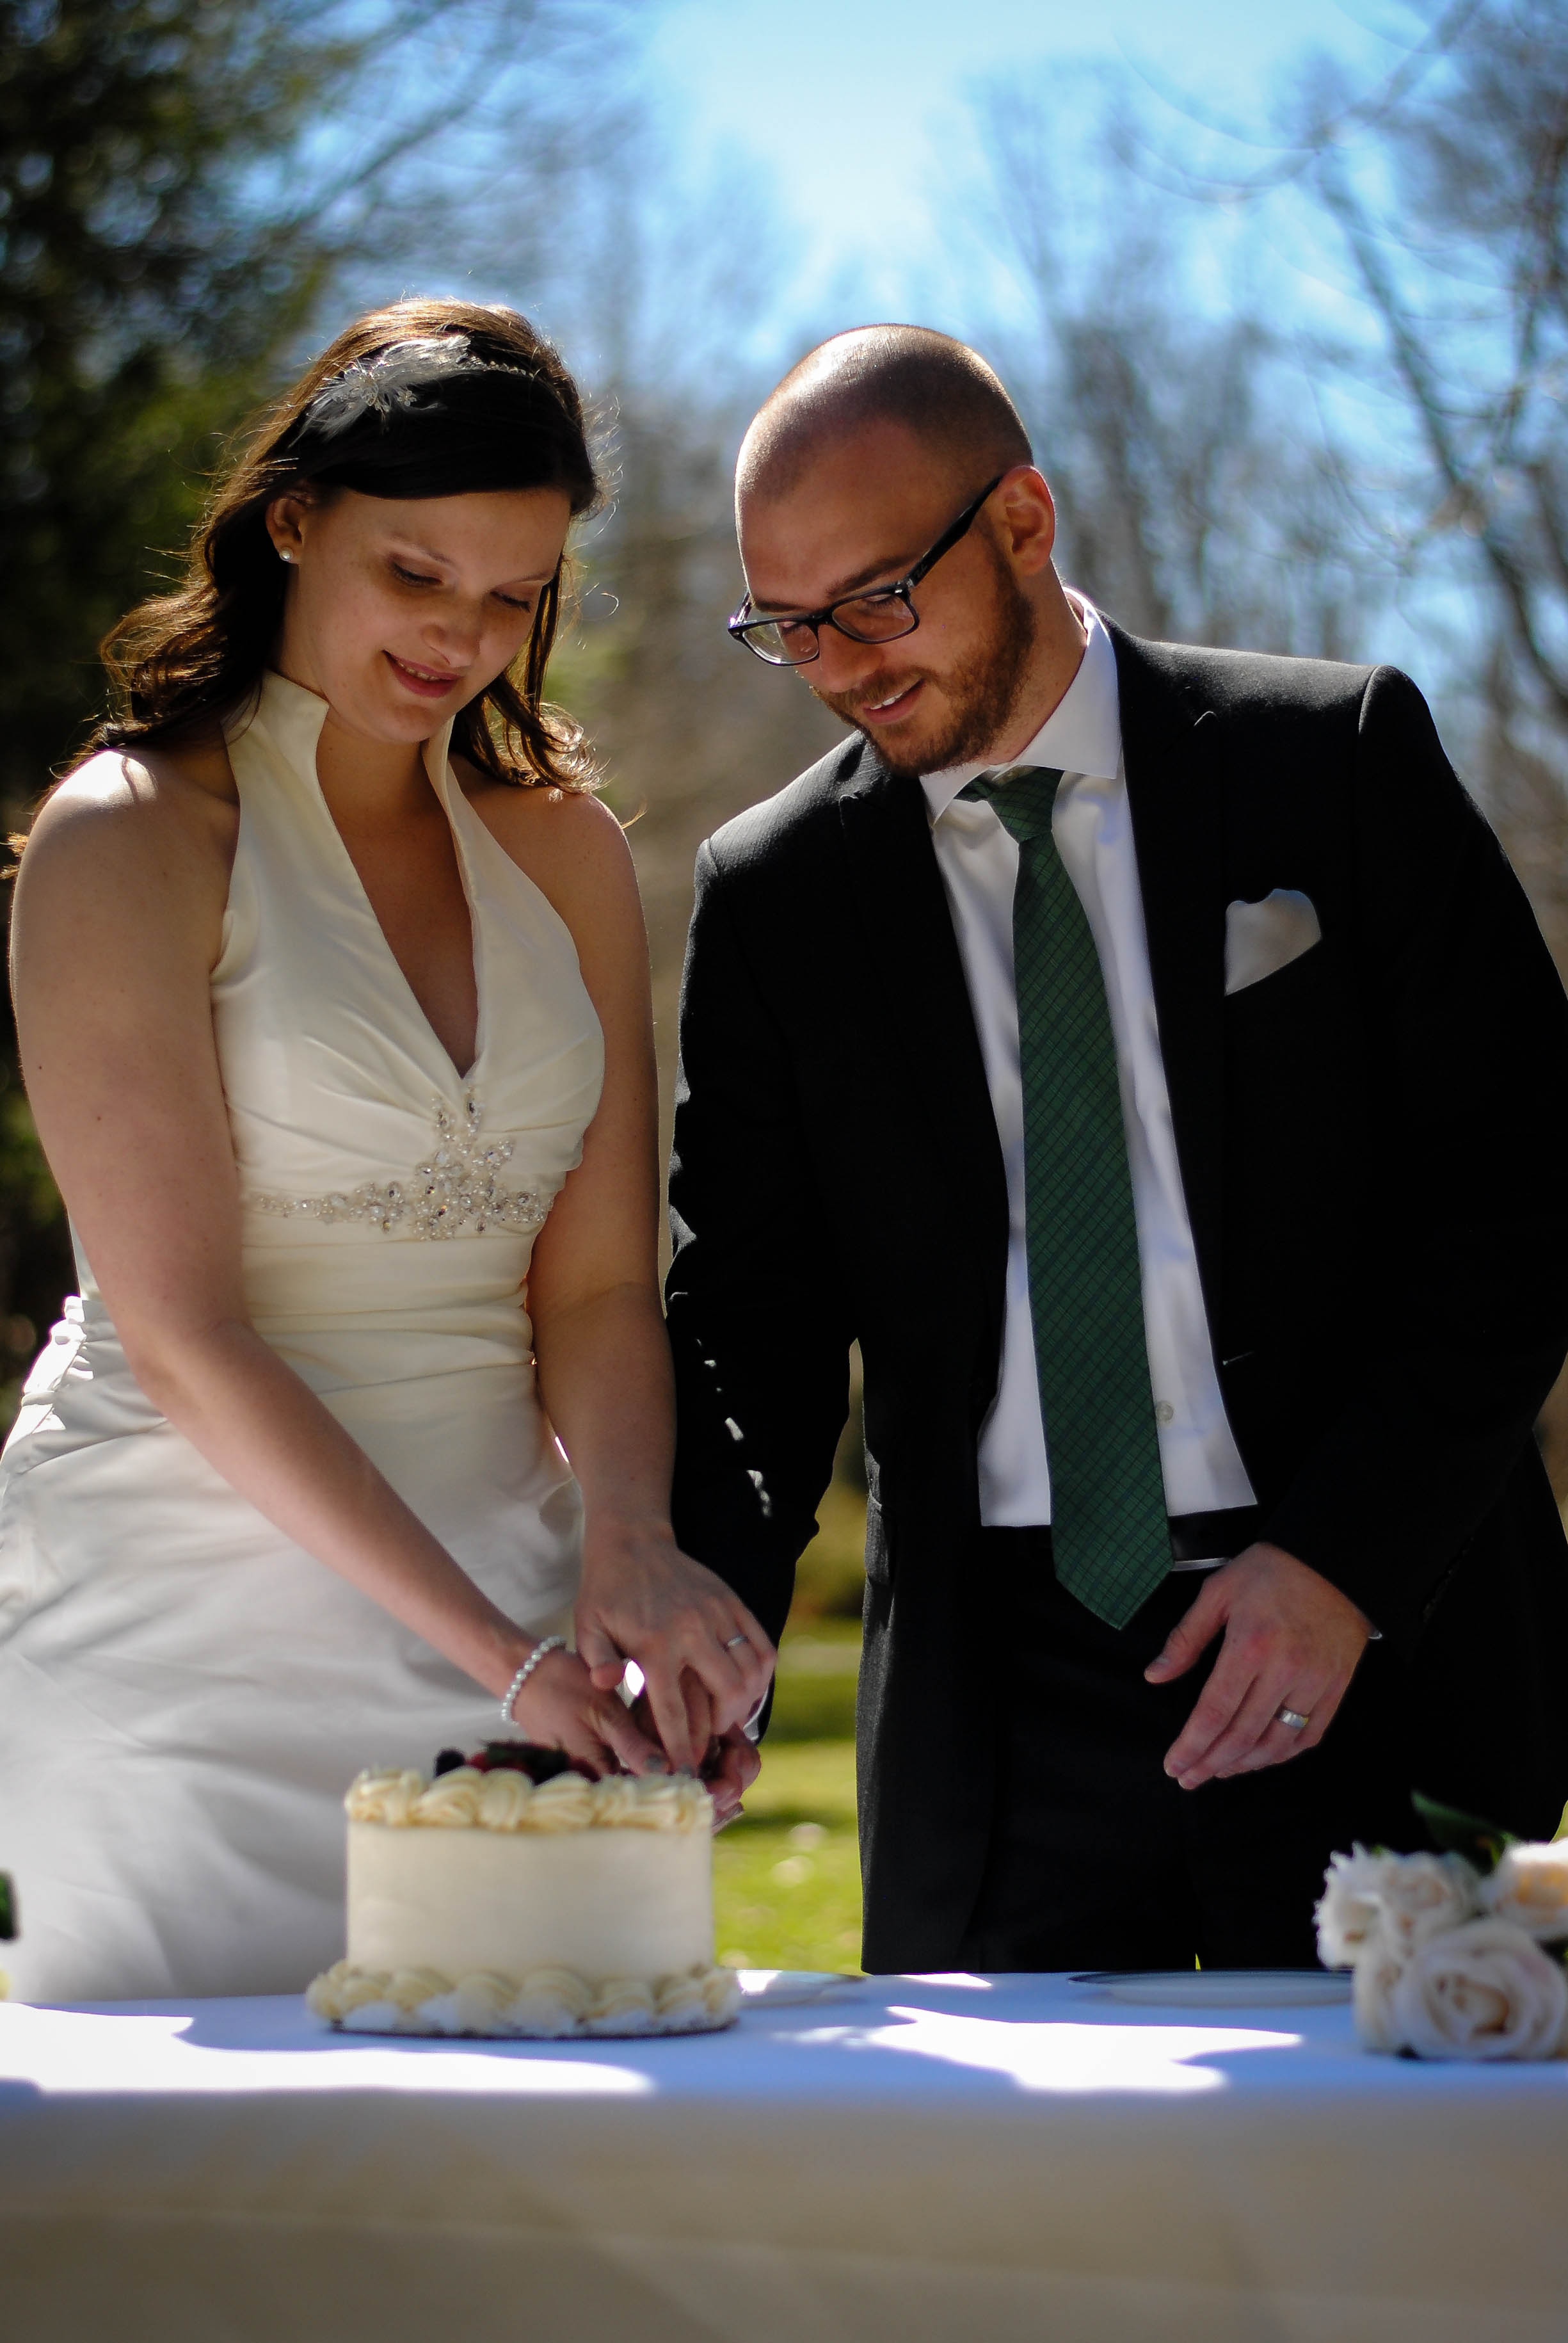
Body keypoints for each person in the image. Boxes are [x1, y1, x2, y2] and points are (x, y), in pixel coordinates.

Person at [666, 324, 1568, 1975]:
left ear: (1023, 520)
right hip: (996, 1712)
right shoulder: (774, 894)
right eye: (786, 628)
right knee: (1012, 2226)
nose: (843, 668)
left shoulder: (1337, 759)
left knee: (1422, 2210)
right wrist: (709, 1612)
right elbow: (754, 1319)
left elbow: (1521, 1193)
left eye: (876, 600)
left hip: (1372, 1639)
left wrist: (1343, 1562)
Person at [0, 297, 767, 2003]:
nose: (461, 639)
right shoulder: (127, 836)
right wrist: (498, 1660)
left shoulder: (562, 848)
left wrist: (626, 1545)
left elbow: (590, 1284)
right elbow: (188, 1332)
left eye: (511, 596)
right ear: (293, 519)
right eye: (415, 576)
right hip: (178, 1641)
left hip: (511, 1602)